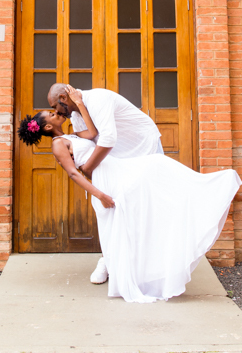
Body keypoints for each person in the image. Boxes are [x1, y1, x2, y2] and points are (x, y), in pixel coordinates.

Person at [18, 88, 242, 303]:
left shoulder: (73, 133)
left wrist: (79, 104)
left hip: (115, 169)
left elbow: (95, 134)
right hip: (106, 181)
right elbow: (75, 175)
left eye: (53, 108)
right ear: (48, 126)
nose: (56, 112)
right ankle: (118, 269)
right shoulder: (58, 145)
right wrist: (101, 195)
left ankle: (203, 190)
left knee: (158, 166)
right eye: (51, 113)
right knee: (121, 220)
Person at [47, 83, 164, 283]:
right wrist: (98, 186)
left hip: (140, 144)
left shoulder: (98, 99)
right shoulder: (73, 118)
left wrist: (88, 170)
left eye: (54, 108)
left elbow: (106, 138)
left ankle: (145, 262)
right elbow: (91, 144)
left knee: (141, 204)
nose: (56, 112)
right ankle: (109, 259)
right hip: (113, 159)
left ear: (63, 99)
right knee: (118, 209)